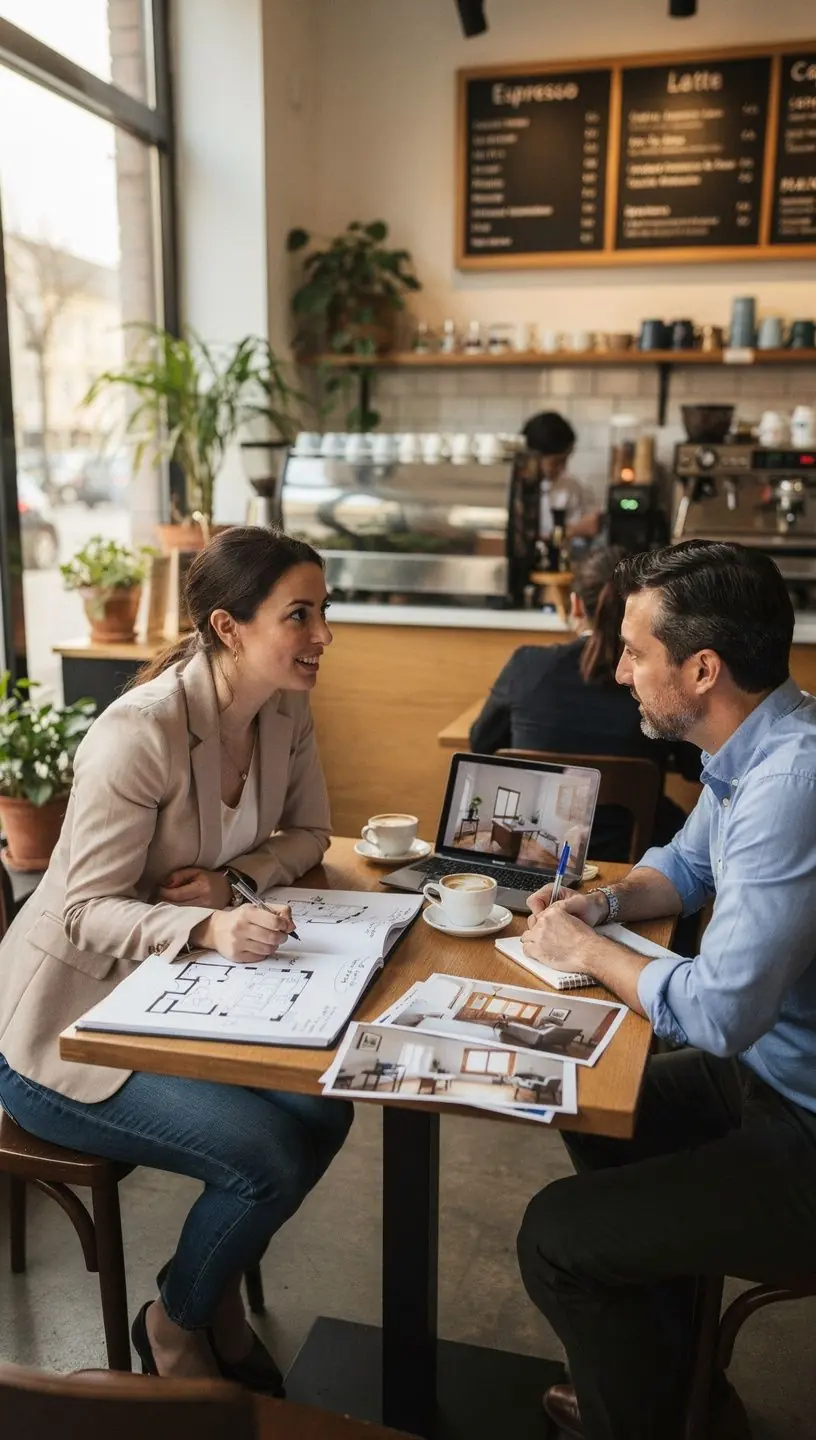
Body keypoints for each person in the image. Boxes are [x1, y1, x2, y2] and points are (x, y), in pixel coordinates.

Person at [0, 527, 352, 1388]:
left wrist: (234, 883)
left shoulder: (284, 710)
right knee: (265, 1161)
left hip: (175, 1001)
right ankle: (175, 1325)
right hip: (64, 1031)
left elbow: (311, 832)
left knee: (326, 1113)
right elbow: (81, 910)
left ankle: (205, 1292)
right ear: (229, 626)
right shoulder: (140, 734)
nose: (322, 634)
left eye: (323, 610)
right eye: (299, 615)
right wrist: (203, 929)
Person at [515, 540, 816, 1440]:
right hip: (775, 1077)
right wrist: (601, 903)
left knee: (556, 1238)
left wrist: (586, 947)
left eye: (636, 652)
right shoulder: (755, 745)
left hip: (804, 1124)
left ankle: (642, 1413)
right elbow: (682, 870)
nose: (619, 671)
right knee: (593, 1107)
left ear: (702, 669)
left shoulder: (790, 786)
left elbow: (719, 1013)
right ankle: (672, 1390)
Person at [471, 546, 696, 860]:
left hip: (536, 855)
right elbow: (693, 765)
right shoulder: (657, 678)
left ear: (575, 604)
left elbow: (481, 744)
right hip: (634, 858)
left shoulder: (527, 666)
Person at [506, 410, 600, 605]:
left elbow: (591, 526)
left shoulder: (571, 486)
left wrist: (570, 532)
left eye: (565, 460)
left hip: (557, 582)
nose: (562, 468)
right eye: (556, 461)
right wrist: (566, 531)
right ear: (532, 457)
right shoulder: (514, 489)